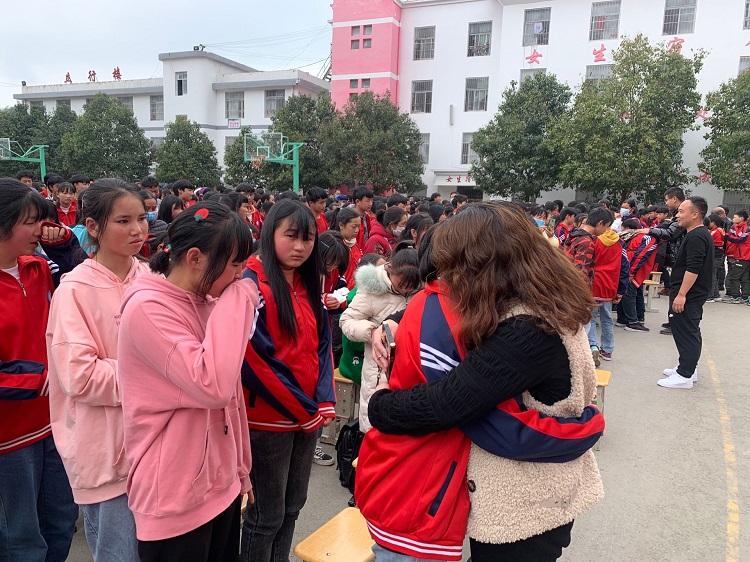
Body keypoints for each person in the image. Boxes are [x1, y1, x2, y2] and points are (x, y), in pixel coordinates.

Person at [366, 202, 604, 562]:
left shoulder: (527, 332)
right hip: (541, 491)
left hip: (526, 508)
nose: (450, 280)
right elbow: (442, 304)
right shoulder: (539, 298)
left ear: (485, 263)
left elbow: (446, 404)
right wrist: (394, 321)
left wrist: (380, 405)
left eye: (454, 267)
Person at [118, 202, 258, 561]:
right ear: (195, 258)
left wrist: (240, 471)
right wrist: (240, 297)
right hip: (174, 500)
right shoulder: (148, 309)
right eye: (235, 265)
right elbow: (214, 386)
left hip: (219, 487)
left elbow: (232, 402)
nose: (241, 275)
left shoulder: (207, 300)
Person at [47, 180, 151, 562]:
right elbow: (81, 376)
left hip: (155, 448)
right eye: (123, 221)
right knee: (119, 553)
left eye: (141, 218)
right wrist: (154, 377)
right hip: (105, 455)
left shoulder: (152, 280)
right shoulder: (74, 290)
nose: (137, 230)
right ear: (92, 226)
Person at [240, 199, 336, 562]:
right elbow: (254, 362)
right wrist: (305, 409)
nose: (300, 246)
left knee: (294, 506)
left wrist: (324, 398)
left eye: (308, 238)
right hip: (268, 419)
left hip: (308, 414)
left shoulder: (308, 282)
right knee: (266, 516)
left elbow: (323, 344)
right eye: (291, 236)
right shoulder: (251, 284)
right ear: (270, 234)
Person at [0, 178, 79, 562]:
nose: (40, 230)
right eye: (30, 222)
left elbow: (88, 279)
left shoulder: (40, 268)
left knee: (61, 522)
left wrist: (64, 246)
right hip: (9, 439)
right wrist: (42, 380)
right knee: (21, 538)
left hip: (54, 425)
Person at [340, 248, 421, 432]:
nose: (406, 290)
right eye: (401, 284)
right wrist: (372, 332)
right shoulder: (372, 290)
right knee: (374, 427)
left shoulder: (420, 292)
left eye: (411, 286)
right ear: (390, 269)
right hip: (377, 371)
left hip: (410, 371)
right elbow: (346, 321)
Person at [658, 197, 714, 389]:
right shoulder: (696, 233)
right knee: (687, 330)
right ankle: (688, 367)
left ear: (695, 214)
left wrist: (682, 294)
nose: (677, 215)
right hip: (691, 292)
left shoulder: (697, 236)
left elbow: (693, 268)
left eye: (682, 211)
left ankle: (685, 375)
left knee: (687, 331)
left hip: (690, 294)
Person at [639, 188, 686, 335]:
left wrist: (650, 231)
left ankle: (676, 324)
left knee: (677, 291)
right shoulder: (676, 215)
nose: (666, 203)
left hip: (680, 259)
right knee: (674, 290)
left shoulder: (682, 215)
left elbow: (671, 233)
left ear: (674, 199)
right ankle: (673, 320)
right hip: (675, 258)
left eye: (667, 199)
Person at [587, 227, 628, 364]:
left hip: (593, 285)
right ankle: (607, 350)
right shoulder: (620, 243)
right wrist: (621, 290)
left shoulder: (594, 240)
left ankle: (593, 346)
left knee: (591, 319)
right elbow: (624, 267)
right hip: (610, 286)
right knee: (607, 318)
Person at [616, 218, 658, 333]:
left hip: (626, 267)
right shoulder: (647, 238)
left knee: (627, 292)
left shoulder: (628, 237)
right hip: (632, 269)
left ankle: (623, 318)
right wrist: (632, 271)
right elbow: (641, 255)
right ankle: (632, 322)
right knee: (629, 293)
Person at [562, 207, 615, 284]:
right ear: (600, 223)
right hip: (573, 286)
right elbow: (580, 273)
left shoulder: (573, 234)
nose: (607, 230)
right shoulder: (587, 242)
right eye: (607, 226)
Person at [723, 210, 749, 304]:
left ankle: (736, 296)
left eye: (735, 217)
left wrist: (726, 236)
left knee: (734, 277)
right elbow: (732, 236)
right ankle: (745, 297)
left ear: (741, 218)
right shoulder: (735, 227)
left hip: (743, 256)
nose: (733, 219)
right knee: (744, 277)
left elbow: (739, 239)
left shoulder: (747, 229)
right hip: (739, 255)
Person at [334, 207, 364, 287]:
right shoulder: (336, 247)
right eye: (354, 227)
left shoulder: (354, 244)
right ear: (341, 225)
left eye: (359, 226)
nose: (357, 230)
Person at [706, 214, 726, 302]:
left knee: (711, 275)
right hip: (717, 255)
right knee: (713, 275)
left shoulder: (716, 232)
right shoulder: (714, 231)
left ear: (713, 222)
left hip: (716, 256)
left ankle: (711, 295)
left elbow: (716, 244)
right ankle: (716, 294)